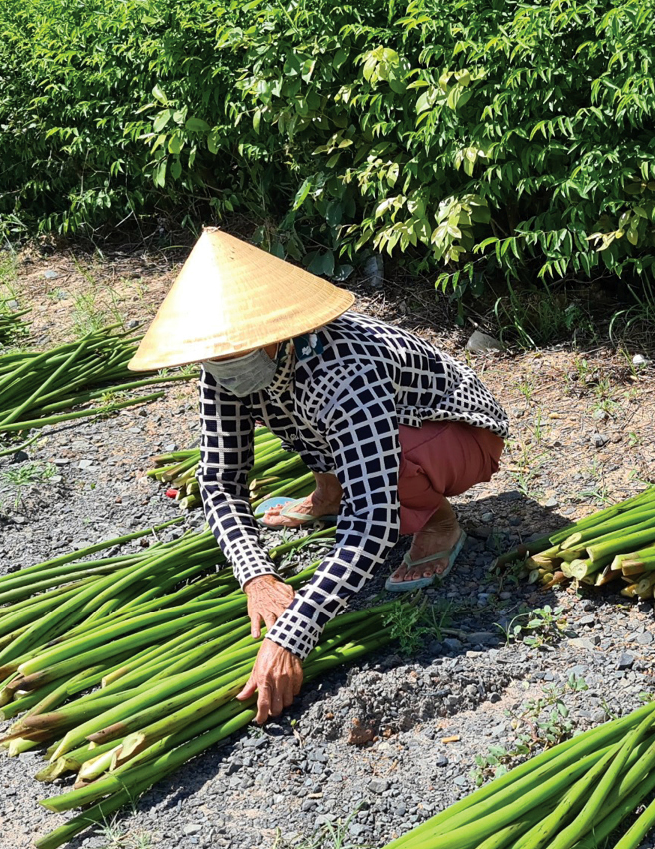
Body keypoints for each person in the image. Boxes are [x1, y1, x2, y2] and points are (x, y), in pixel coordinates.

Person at [128, 227, 509, 723]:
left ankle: (437, 520)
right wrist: (257, 575)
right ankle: (330, 492)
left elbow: (372, 518)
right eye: (213, 355)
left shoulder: (347, 368)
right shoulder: (224, 371)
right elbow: (220, 481)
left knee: (385, 467)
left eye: (233, 352)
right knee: (322, 428)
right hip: (368, 433)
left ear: (276, 334)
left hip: (455, 434)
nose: (222, 366)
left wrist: (294, 633)